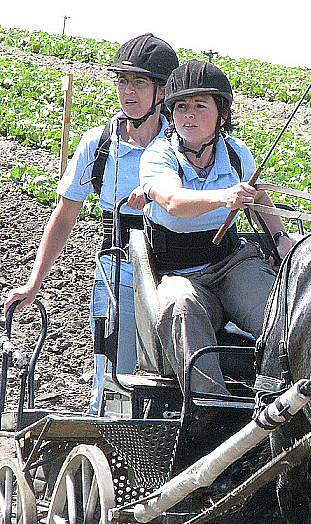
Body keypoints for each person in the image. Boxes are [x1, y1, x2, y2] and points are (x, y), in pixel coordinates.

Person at [3, 34, 179, 414]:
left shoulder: (182, 142)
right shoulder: (97, 144)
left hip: (174, 272)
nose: (127, 93)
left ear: (162, 91)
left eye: (139, 83)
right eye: (122, 82)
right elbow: (64, 216)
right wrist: (34, 284)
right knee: (114, 375)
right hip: (117, 273)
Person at [140, 59, 294, 395]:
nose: (189, 115)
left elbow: (259, 199)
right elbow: (172, 202)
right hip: (181, 275)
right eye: (181, 107)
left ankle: (286, 397)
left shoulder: (237, 154)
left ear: (222, 114)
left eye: (199, 106)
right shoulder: (158, 156)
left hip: (233, 264)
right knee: (178, 306)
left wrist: (282, 240)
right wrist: (224, 198)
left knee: (281, 312)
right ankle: (210, 406)